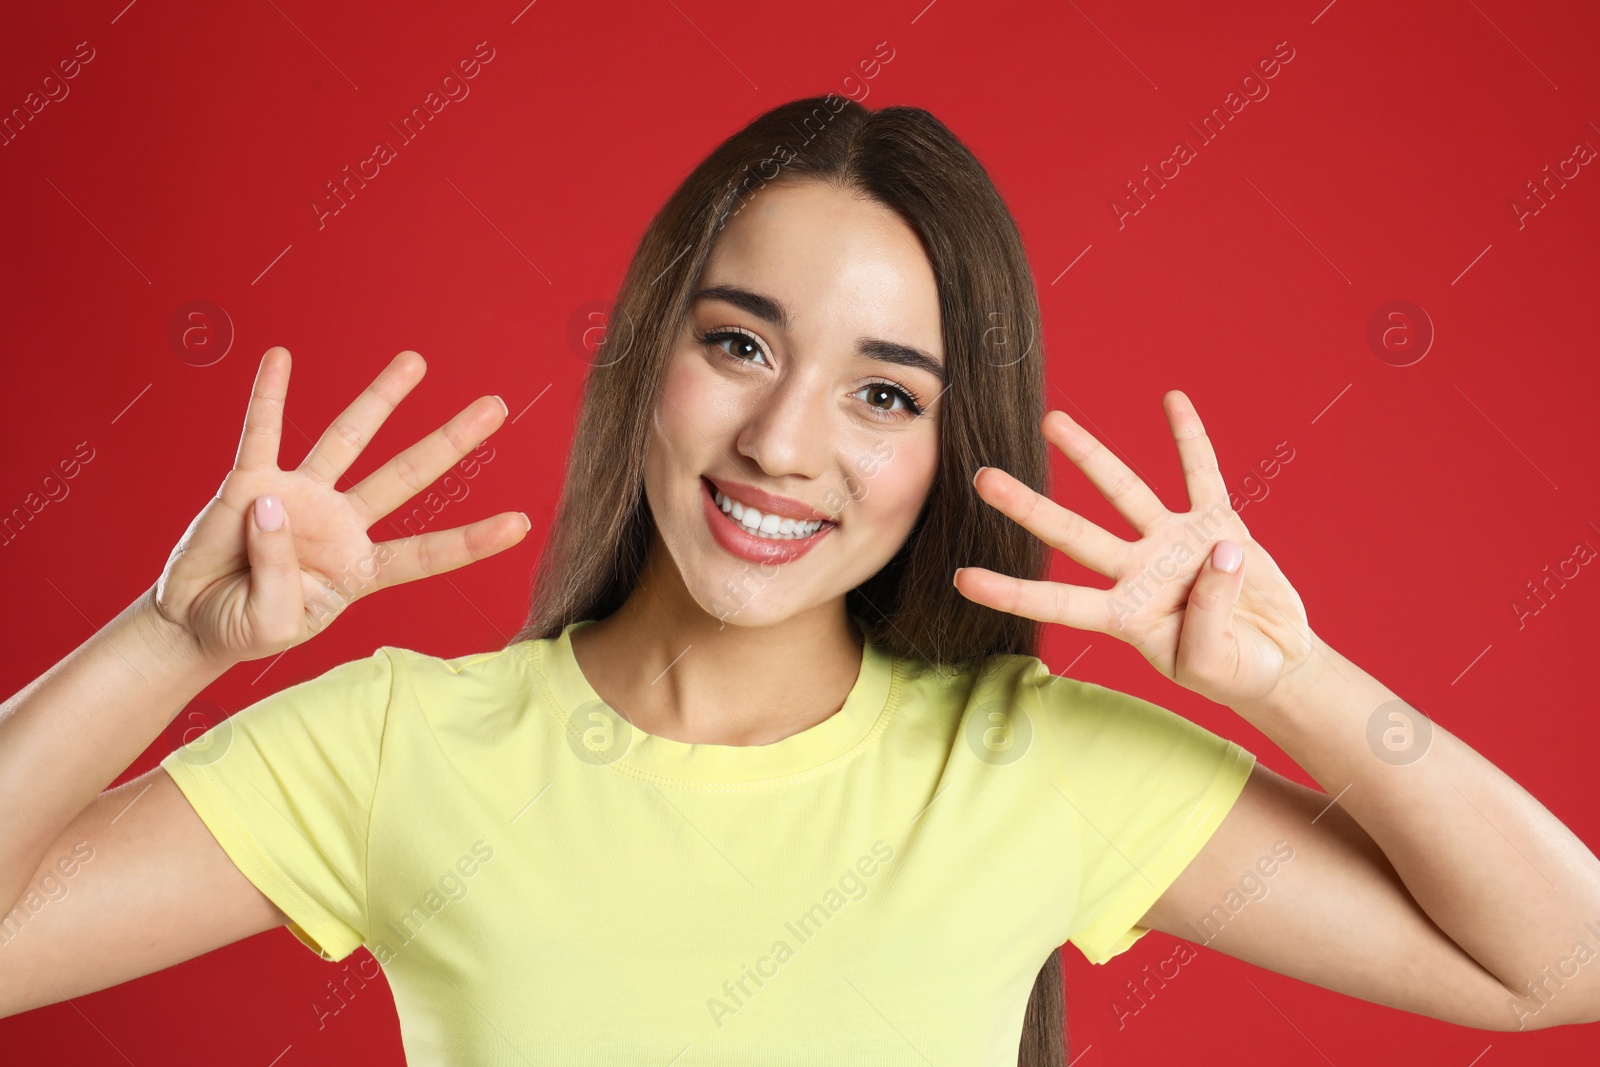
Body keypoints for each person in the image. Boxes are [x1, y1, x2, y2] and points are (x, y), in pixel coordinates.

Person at [3, 95, 1598, 1065]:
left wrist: (1290, 680)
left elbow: (1560, 965)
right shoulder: (398, 747)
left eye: (885, 393)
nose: (784, 442)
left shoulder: (1025, 761)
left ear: (945, 446)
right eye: (741, 343)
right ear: (651, 354)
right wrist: (164, 643)